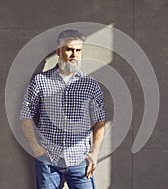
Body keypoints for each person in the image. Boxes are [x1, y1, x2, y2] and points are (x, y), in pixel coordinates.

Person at [20, 29, 105, 189]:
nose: (74, 54)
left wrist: (95, 153)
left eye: (78, 50)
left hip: (80, 162)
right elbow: (25, 116)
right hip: (48, 162)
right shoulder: (40, 81)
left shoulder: (90, 84)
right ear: (59, 51)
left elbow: (100, 121)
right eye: (69, 49)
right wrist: (35, 148)